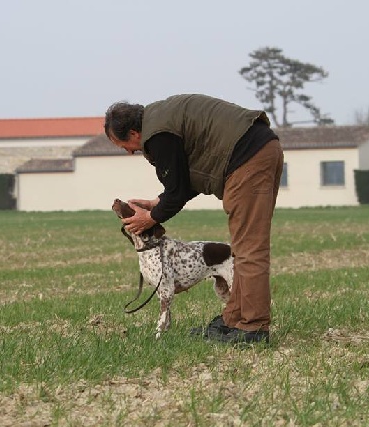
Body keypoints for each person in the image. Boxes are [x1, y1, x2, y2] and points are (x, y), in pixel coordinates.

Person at [104, 94, 283, 344]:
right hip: (252, 151)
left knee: (250, 246)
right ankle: (234, 320)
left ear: (134, 133)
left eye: (123, 145)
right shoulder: (161, 120)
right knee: (242, 248)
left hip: (247, 159)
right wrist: (158, 203)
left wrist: (151, 218)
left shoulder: (157, 136)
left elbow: (176, 192)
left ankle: (253, 328)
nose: (129, 152)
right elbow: (186, 179)